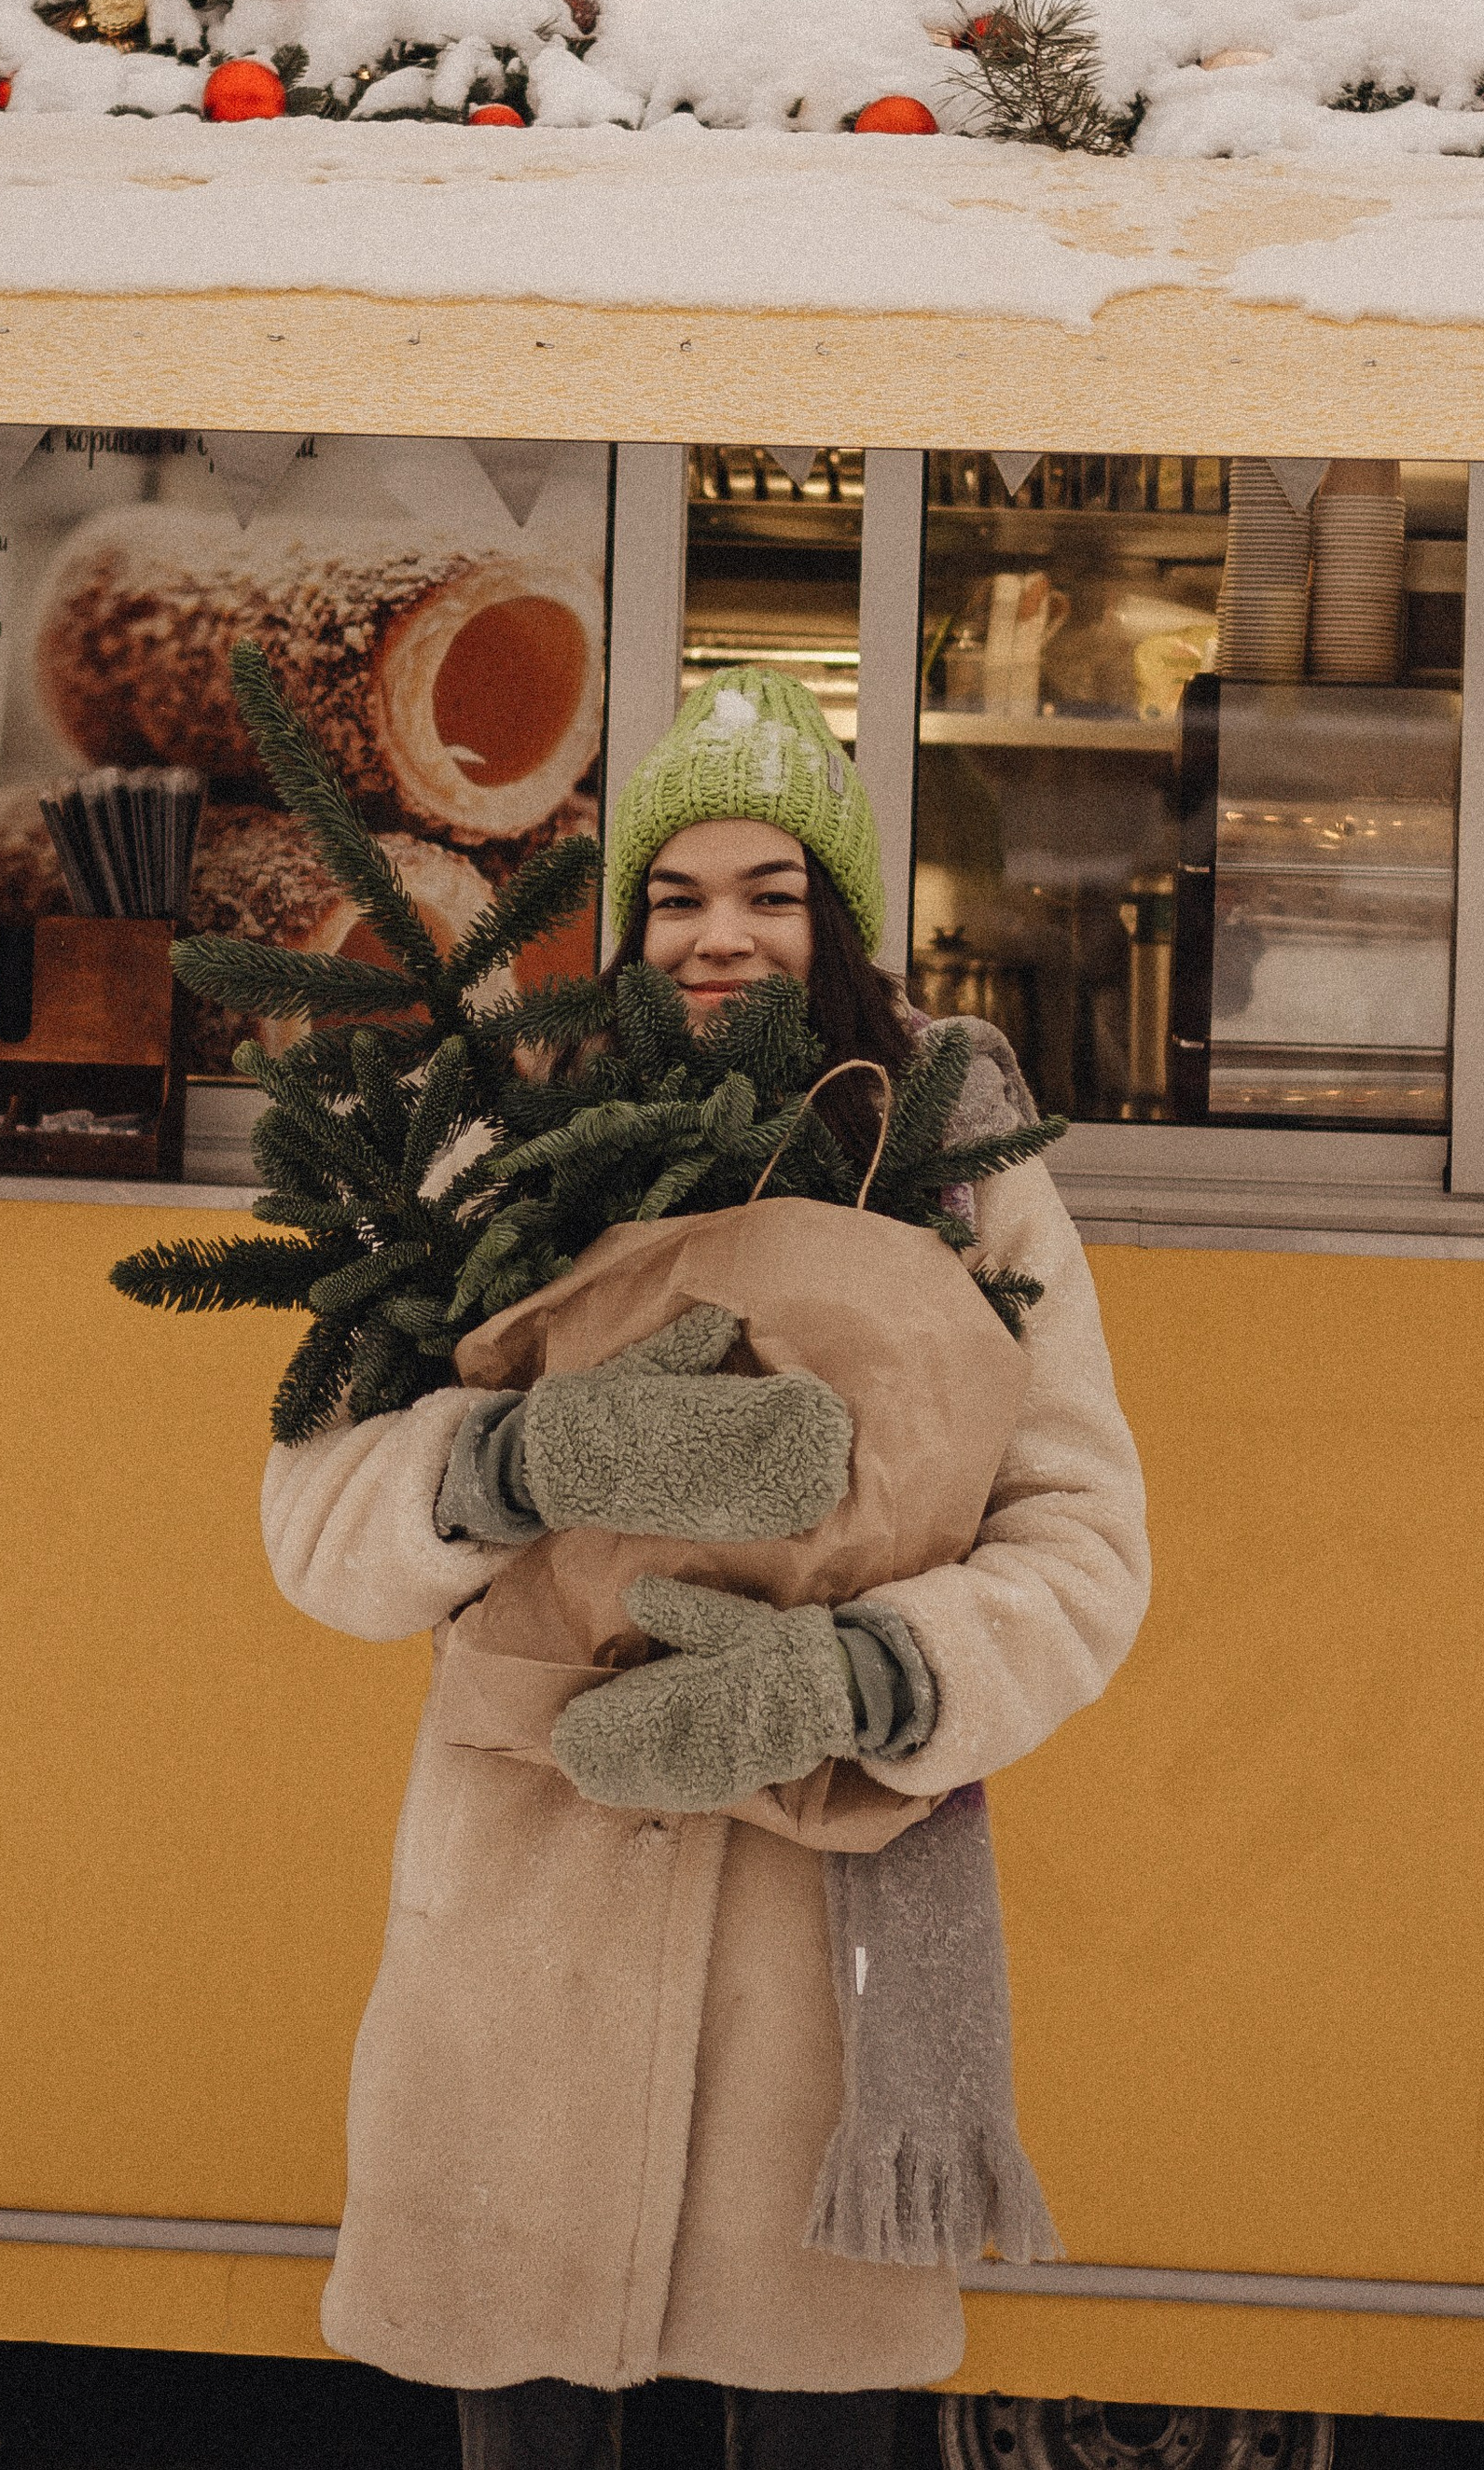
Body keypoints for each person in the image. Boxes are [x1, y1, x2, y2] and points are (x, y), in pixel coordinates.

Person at [261, 668, 1150, 2470]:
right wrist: (506, 1460)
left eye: (771, 893)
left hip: (822, 1924)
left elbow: (1083, 1544)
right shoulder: (500, 1121)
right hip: (527, 1896)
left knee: (809, 2415)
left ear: (835, 915)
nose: (718, 937)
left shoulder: (957, 1143)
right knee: (519, 2412)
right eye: (675, 895)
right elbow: (316, 1524)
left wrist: (865, 1679)